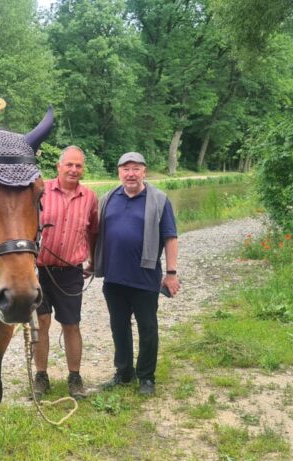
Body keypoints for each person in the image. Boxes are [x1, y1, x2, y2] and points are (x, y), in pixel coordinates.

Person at [96, 152, 179, 397]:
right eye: (126, 169)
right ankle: (123, 373)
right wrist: (92, 262)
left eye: (136, 169)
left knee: (148, 328)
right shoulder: (107, 199)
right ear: (119, 172)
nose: (130, 174)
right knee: (118, 327)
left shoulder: (159, 200)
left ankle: (146, 377)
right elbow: (95, 235)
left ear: (144, 172)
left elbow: (170, 237)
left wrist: (171, 273)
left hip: (145, 278)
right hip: (114, 279)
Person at [31, 146, 99, 401]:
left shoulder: (90, 197)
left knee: (71, 324)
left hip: (71, 270)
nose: (73, 170)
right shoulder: (40, 190)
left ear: (83, 169)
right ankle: (41, 376)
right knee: (41, 322)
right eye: (69, 164)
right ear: (58, 166)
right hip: (38, 268)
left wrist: (92, 260)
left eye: (78, 166)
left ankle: (74, 376)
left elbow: (93, 231)